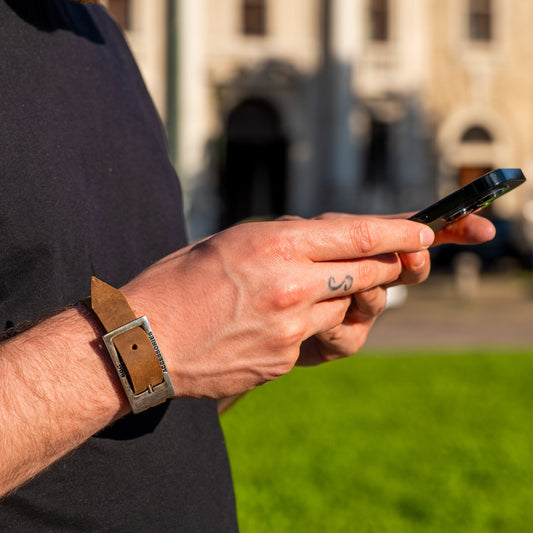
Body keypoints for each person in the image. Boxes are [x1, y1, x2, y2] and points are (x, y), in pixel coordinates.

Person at [0, 0, 496, 530]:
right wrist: (157, 335)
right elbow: (150, 342)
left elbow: (127, 408)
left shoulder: (98, 33)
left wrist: (256, 325)